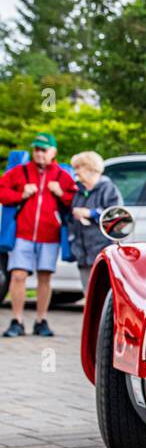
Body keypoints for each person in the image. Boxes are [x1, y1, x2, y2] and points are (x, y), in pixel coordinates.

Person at [0, 132, 75, 337]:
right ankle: (17, 321)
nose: (39, 153)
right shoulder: (20, 172)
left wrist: (61, 193)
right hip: (22, 234)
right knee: (18, 275)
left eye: (43, 150)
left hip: (49, 235)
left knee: (45, 277)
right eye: (36, 149)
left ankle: (41, 320)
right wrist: (20, 194)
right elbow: (1, 191)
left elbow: (75, 200)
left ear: (53, 152)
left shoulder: (62, 175)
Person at [67, 151, 123, 290]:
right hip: (82, 253)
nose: (76, 172)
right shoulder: (78, 191)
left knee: (103, 293)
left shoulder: (108, 189)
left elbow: (117, 217)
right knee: (88, 293)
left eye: (78, 167)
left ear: (90, 168)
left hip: (101, 250)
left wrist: (90, 213)